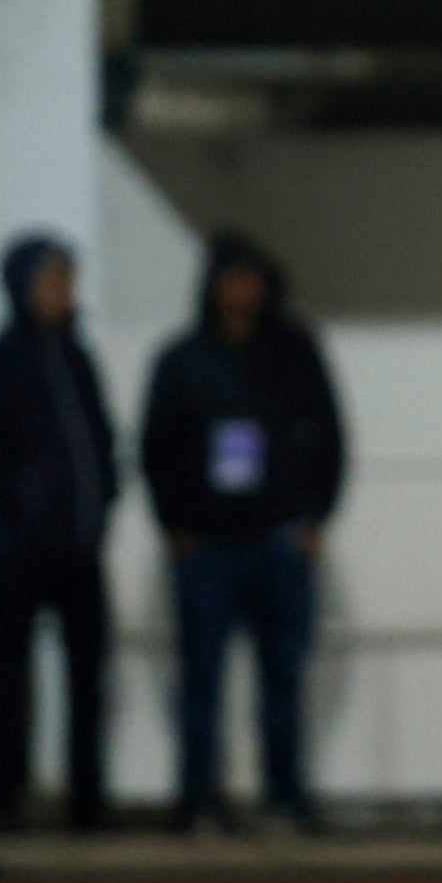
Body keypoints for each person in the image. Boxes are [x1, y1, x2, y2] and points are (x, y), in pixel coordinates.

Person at [139, 232, 346, 832]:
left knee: (284, 676)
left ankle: (285, 794)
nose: (241, 291)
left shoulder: (294, 352)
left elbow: (330, 437)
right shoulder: (183, 360)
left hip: (280, 539)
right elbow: (158, 447)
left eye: (250, 279)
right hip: (207, 544)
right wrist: (175, 524)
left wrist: (316, 516)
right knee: (200, 676)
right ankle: (198, 798)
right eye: (230, 279)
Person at [0, 233, 118, 831]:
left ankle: (87, 800)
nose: (63, 292)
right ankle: (0, 794)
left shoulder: (77, 359)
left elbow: (99, 444)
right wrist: (24, 504)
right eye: (51, 280)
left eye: (67, 280)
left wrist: (100, 509)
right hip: (20, 549)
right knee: (7, 675)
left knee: (88, 678)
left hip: (79, 549)